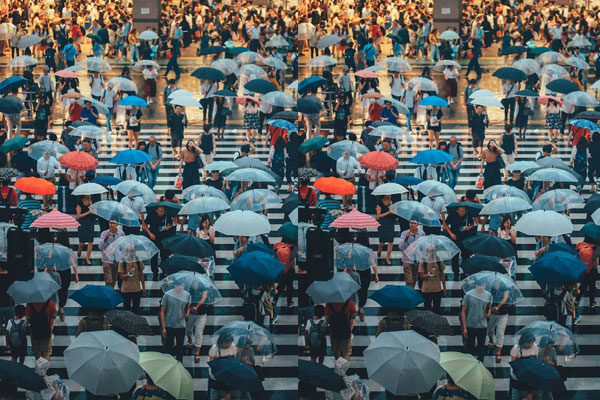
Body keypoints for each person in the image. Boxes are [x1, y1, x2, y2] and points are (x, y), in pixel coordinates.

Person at [461, 282, 492, 362]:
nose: (481, 287)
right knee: (469, 347)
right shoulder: (468, 295)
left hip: (482, 325)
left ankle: (480, 365)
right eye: (479, 285)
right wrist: (464, 327)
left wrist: (489, 312)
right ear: (475, 285)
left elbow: (489, 307)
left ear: (485, 285)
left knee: (481, 347)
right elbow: (463, 311)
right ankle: (469, 363)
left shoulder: (488, 295)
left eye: (483, 285)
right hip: (470, 324)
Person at [160, 283, 191, 362]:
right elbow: (162, 311)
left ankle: (179, 364)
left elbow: (188, 307)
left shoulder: (187, 295)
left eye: (182, 285)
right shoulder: (167, 295)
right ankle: (168, 363)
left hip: (181, 325)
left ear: (184, 286)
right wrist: (163, 327)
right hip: (169, 324)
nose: (180, 287)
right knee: (168, 347)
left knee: (180, 347)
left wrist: (187, 313)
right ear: (174, 286)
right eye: (178, 285)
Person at [510, 332, 541, 400]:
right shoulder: (516, 348)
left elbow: (536, 359)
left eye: (532, 342)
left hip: (529, 374)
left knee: (527, 393)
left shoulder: (535, 347)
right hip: (518, 374)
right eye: (529, 343)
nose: (530, 344)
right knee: (516, 393)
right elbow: (513, 363)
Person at [26, 295, 57, 360]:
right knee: (46, 352)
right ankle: (45, 369)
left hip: (34, 330)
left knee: (37, 351)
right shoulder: (50, 303)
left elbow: (28, 318)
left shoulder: (29, 304)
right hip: (46, 330)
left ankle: (39, 368)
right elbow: (54, 316)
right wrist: (51, 327)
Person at [399, 221, 425, 288]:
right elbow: (401, 247)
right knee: (409, 281)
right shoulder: (404, 233)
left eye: (414, 223)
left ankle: (411, 293)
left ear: (417, 224)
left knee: (414, 280)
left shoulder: (421, 233)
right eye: (411, 223)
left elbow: (423, 246)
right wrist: (406, 238)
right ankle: (410, 295)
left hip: (416, 259)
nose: (412, 225)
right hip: (407, 259)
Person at [98, 220, 124, 288]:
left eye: (114, 223)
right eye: (110, 223)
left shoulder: (121, 233)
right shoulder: (104, 233)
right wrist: (106, 238)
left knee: (114, 280)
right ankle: (110, 296)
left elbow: (123, 246)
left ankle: (111, 293)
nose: (112, 225)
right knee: (108, 281)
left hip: (116, 259)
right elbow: (100, 247)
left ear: (117, 224)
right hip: (107, 259)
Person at [376, 195, 396, 265]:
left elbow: (395, 213)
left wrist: (391, 205)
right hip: (382, 223)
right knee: (382, 242)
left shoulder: (392, 201)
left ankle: (387, 257)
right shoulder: (379, 203)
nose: (390, 195)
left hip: (390, 223)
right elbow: (378, 216)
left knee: (391, 242)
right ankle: (380, 249)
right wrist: (388, 212)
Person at [76, 195, 95, 265]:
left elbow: (94, 212)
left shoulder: (91, 201)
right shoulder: (80, 203)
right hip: (82, 223)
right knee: (82, 242)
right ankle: (80, 248)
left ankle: (87, 257)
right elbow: (78, 216)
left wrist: (91, 206)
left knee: (90, 241)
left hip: (90, 223)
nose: (90, 195)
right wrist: (88, 212)